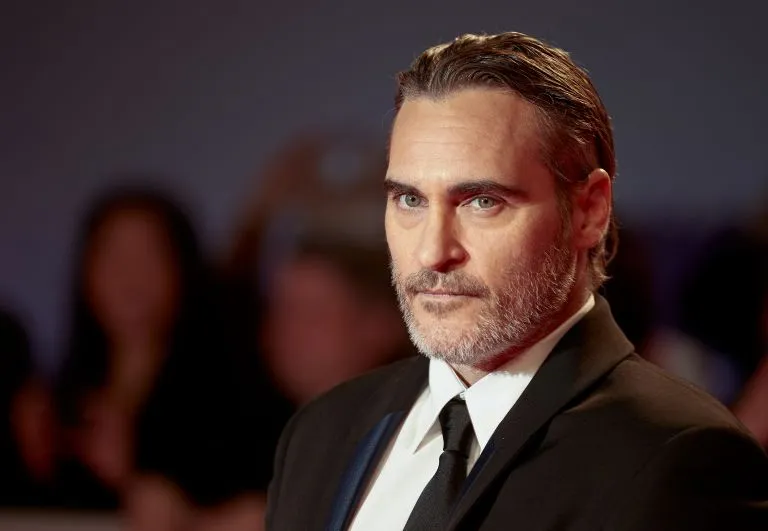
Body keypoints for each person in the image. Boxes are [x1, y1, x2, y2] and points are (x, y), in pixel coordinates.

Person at [265, 32, 768, 530]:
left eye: (483, 202)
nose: (433, 252)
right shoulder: (322, 433)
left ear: (590, 211)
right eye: (410, 200)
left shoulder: (681, 456)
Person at [55, 185, 265, 529]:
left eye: (148, 256)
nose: (130, 275)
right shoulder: (58, 396)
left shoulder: (228, 395)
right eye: (113, 255)